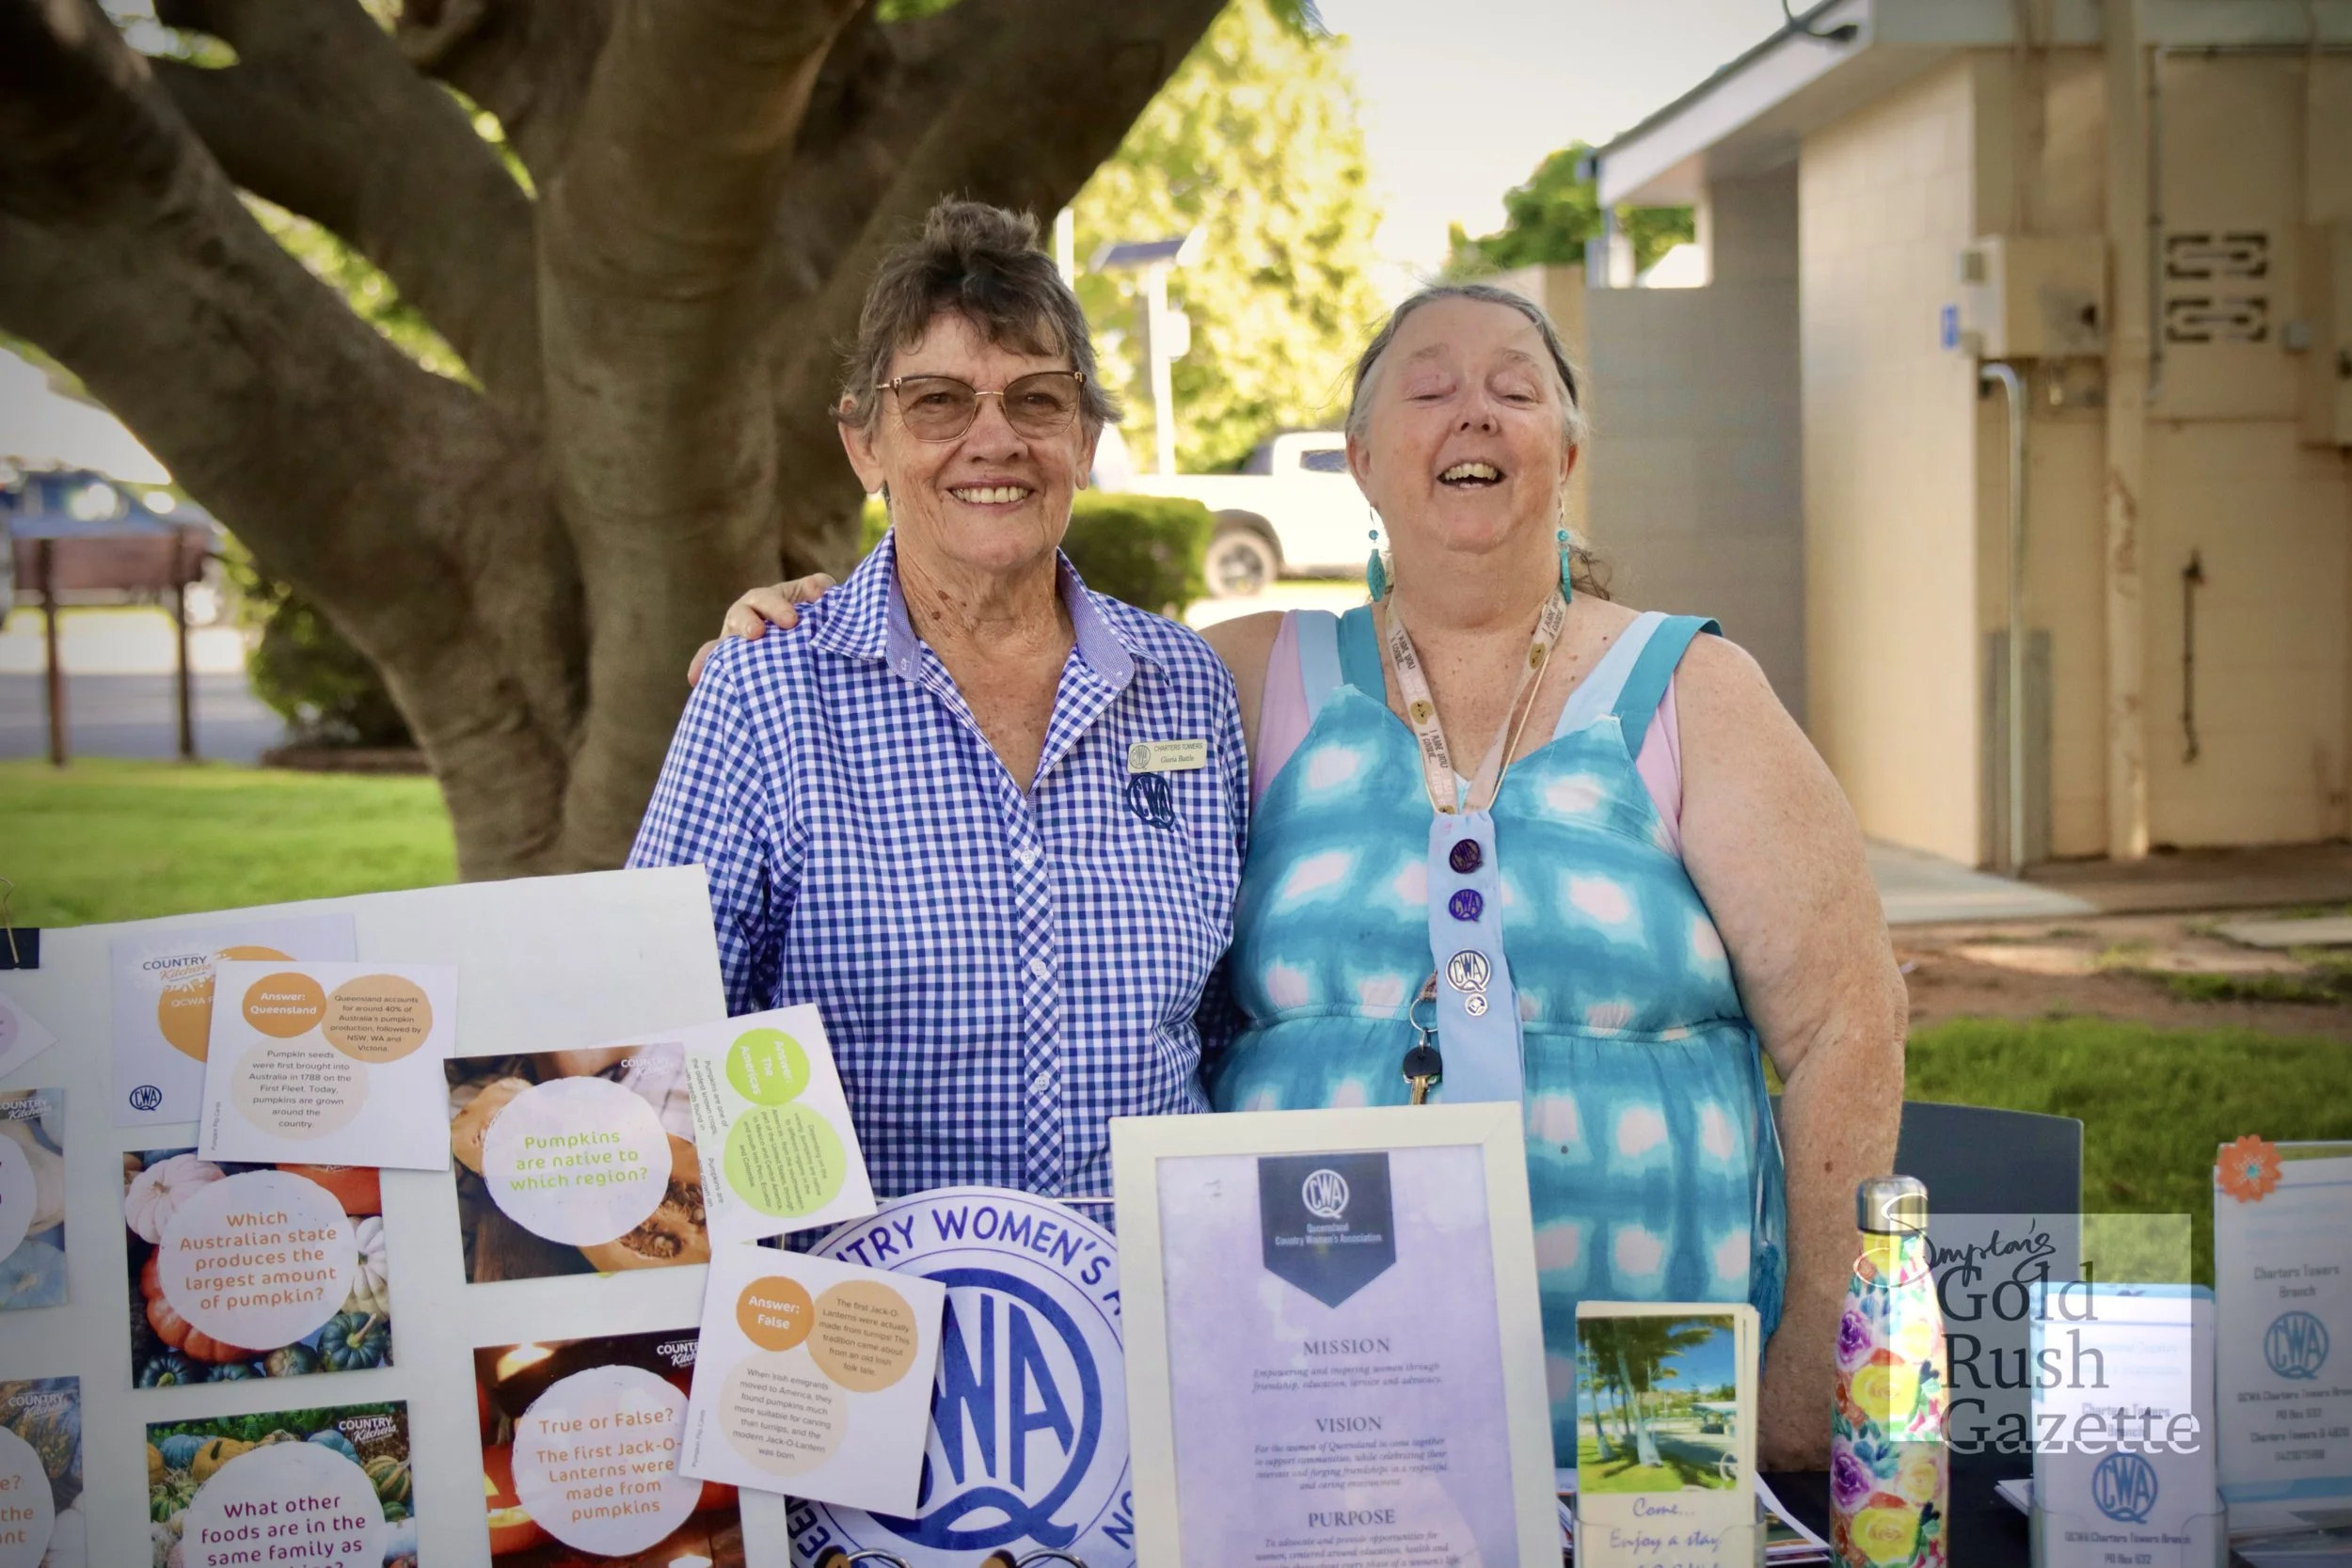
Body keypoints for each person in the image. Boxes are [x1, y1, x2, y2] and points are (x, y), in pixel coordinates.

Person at [698, 283, 1905, 1468]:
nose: (1472, 415)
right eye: (1429, 389)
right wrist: (809, 623)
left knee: (1660, 1563)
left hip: (1649, 1352)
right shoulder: (1232, 677)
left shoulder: (1695, 688)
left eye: (1514, 390)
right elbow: (1015, 662)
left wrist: (1806, 1383)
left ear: (1569, 450)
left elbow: (1849, 1020)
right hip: (1312, 1375)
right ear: (1362, 458)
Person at [630, 198, 1247, 1210]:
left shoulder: (1183, 685)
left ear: (1084, 438)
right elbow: (657, 1033)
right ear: (865, 443)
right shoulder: (768, 693)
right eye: (936, 402)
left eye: (1038, 401)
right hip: (873, 1331)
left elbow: (1225, 1027)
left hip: (1149, 1321)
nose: (993, 439)